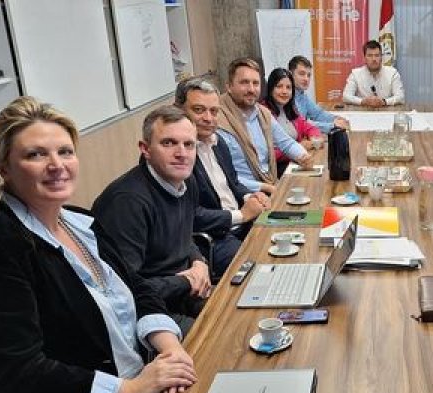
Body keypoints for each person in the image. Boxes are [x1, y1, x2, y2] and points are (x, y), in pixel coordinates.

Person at [0, 96, 196, 393]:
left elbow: (138, 288)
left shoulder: (80, 221)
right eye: (36, 155)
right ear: (5, 167)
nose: (57, 166)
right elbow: (22, 373)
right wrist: (131, 388)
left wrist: (170, 348)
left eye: (65, 152)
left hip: (144, 377)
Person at [93, 105, 210, 335]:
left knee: (239, 314)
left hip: (181, 294)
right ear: (145, 149)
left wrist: (198, 262)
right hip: (145, 311)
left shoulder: (186, 181)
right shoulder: (127, 202)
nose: (182, 153)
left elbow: (185, 236)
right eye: (168, 143)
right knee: (218, 341)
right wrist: (184, 282)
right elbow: (122, 290)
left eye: (189, 144)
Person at [174, 77, 271, 275]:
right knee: (257, 269)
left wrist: (250, 197)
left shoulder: (219, 143)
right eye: (199, 110)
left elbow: (234, 183)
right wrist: (241, 215)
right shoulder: (179, 157)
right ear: (179, 110)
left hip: (242, 224)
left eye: (214, 111)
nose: (208, 118)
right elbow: (190, 215)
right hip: (213, 238)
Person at [217, 57, 312, 194]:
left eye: (255, 83)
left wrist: (303, 157)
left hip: (269, 185)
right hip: (242, 195)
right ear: (229, 86)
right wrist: (265, 187)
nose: (251, 89)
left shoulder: (263, 113)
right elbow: (223, 175)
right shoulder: (218, 120)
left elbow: (286, 143)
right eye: (244, 83)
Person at [263, 67, 324, 173]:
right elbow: (265, 154)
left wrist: (315, 139)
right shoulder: (263, 113)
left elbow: (308, 126)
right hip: (275, 169)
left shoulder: (290, 109)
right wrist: (298, 148)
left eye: (288, 87)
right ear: (271, 88)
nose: (284, 91)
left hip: (294, 161)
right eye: (279, 86)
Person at [288, 55, 350, 133]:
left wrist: (336, 119)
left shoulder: (301, 95)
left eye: (308, 75)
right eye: (302, 74)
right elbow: (301, 125)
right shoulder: (287, 97)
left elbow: (318, 114)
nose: (306, 79)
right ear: (290, 75)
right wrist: (333, 125)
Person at [342, 40, 405, 107]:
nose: (374, 59)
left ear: (381, 57)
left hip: (386, 113)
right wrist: (362, 101)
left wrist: (384, 102)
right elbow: (346, 97)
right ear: (364, 58)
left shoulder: (393, 73)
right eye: (370, 55)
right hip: (363, 113)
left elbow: (401, 97)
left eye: (377, 55)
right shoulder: (355, 74)